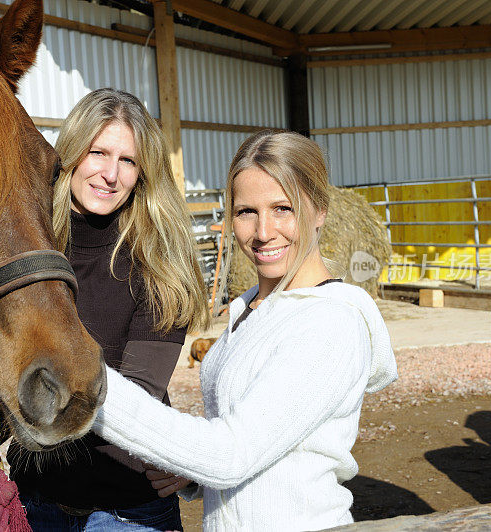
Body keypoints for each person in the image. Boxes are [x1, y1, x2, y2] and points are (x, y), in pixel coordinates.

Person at [91, 131, 399, 531]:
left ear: (320, 209)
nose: (263, 232)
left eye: (282, 208)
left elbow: (231, 455)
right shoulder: (251, 306)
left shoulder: (329, 324)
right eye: (246, 212)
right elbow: (259, 443)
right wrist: (194, 474)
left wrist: (89, 387)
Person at [0, 88, 211, 531]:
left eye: (128, 161)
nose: (110, 174)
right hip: (37, 500)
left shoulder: (159, 264)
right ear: (70, 154)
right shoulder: (31, 253)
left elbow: (136, 397)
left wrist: (13, 386)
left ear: (143, 173)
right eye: (98, 152)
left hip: (128, 508)